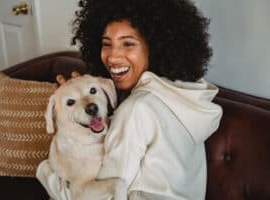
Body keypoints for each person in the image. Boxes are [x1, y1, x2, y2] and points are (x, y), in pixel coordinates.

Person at [36, 0, 223, 199]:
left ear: (155, 46)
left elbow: (104, 196)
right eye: (107, 44)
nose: (113, 57)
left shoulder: (136, 110)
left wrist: (45, 173)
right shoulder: (182, 98)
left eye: (128, 43)